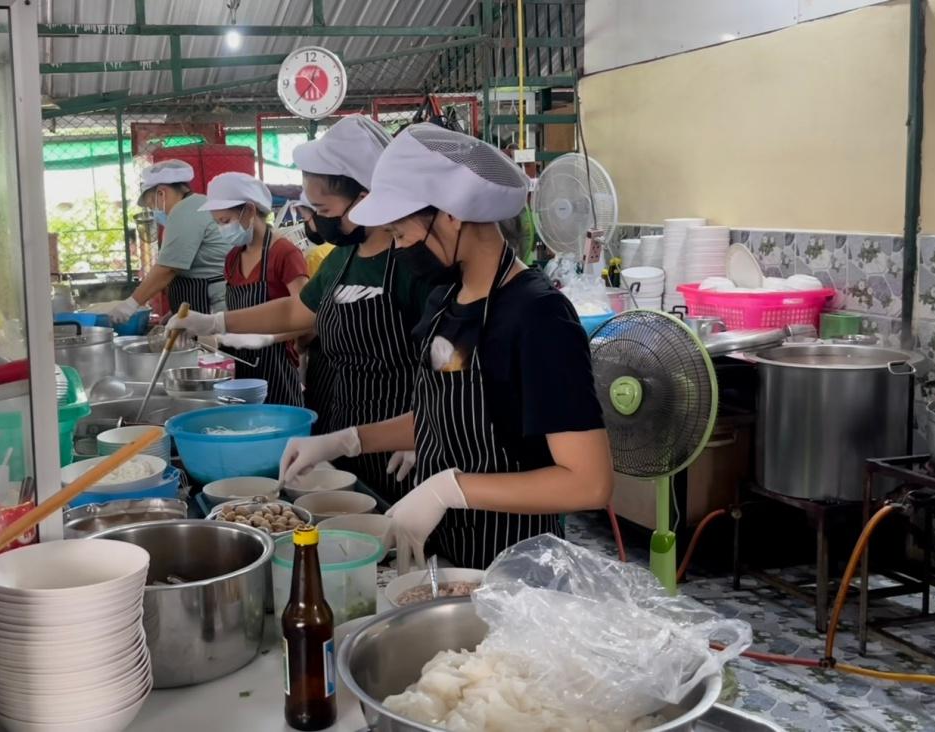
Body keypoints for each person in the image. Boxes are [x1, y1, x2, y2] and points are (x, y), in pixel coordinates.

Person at [278, 124, 613, 571]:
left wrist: (451, 489)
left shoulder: (538, 317)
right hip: (447, 552)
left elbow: (588, 483)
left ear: (451, 215)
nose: (398, 248)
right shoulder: (445, 300)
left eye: (401, 233)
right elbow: (443, 416)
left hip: (513, 565)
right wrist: (347, 441)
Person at [167, 115, 433, 503]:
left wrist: (424, 429)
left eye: (322, 208)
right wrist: (215, 321)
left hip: (400, 447)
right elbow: (296, 311)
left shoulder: (413, 262)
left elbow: (447, 360)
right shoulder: (343, 258)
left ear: (365, 198)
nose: (318, 220)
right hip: (340, 436)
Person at [198, 172, 309, 406]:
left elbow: (307, 315)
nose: (222, 229)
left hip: (278, 367)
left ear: (249, 210)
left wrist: (266, 338)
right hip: (241, 366)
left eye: (225, 221)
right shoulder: (233, 258)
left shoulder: (284, 254)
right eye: (217, 223)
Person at [111, 160, 233, 322]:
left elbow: (167, 269)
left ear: (162, 193)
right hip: (205, 297)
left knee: (207, 338)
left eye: (151, 204)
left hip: (211, 303)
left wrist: (130, 304)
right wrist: (173, 312)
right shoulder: (196, 203)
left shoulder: (185, 210)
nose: (154, 211)